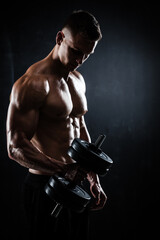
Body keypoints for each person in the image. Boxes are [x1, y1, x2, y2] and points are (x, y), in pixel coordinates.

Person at [6, 10, 107, 240]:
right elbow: (15, 147)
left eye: (87, 55)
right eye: (76, 51)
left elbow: (80, 128)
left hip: (76, 185)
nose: (80, 60)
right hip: (45, 186)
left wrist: (92, 177)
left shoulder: (78, 80)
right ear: (60, 38)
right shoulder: (32, 84)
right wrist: (63, 169)